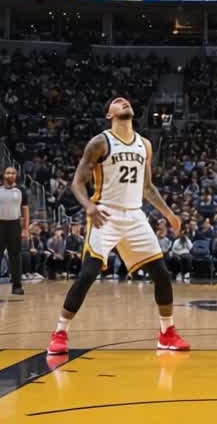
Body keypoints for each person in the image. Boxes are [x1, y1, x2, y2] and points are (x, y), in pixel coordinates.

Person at [46, 97, 189, 354]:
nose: (123, 102)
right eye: (116, 102)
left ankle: (167, 333)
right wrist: (89, 207)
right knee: (88, 273)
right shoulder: (100, 142)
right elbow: (77, 182)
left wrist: (169, 214)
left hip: (135, 216)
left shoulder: (145, 144)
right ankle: (59, 332)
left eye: (126, 101)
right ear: (109, 115)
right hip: (106, 214)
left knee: (162, 275)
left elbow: (147, 187)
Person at [0, 167, 29, 295]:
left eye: (13, 173)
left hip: (14, 225)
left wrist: (26, 229)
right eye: (8, 172)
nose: (10, 175)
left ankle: (17, 286)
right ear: (4, 175)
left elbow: (25, 211)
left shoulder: (21, 191)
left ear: (16, 176)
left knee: (15, 256)